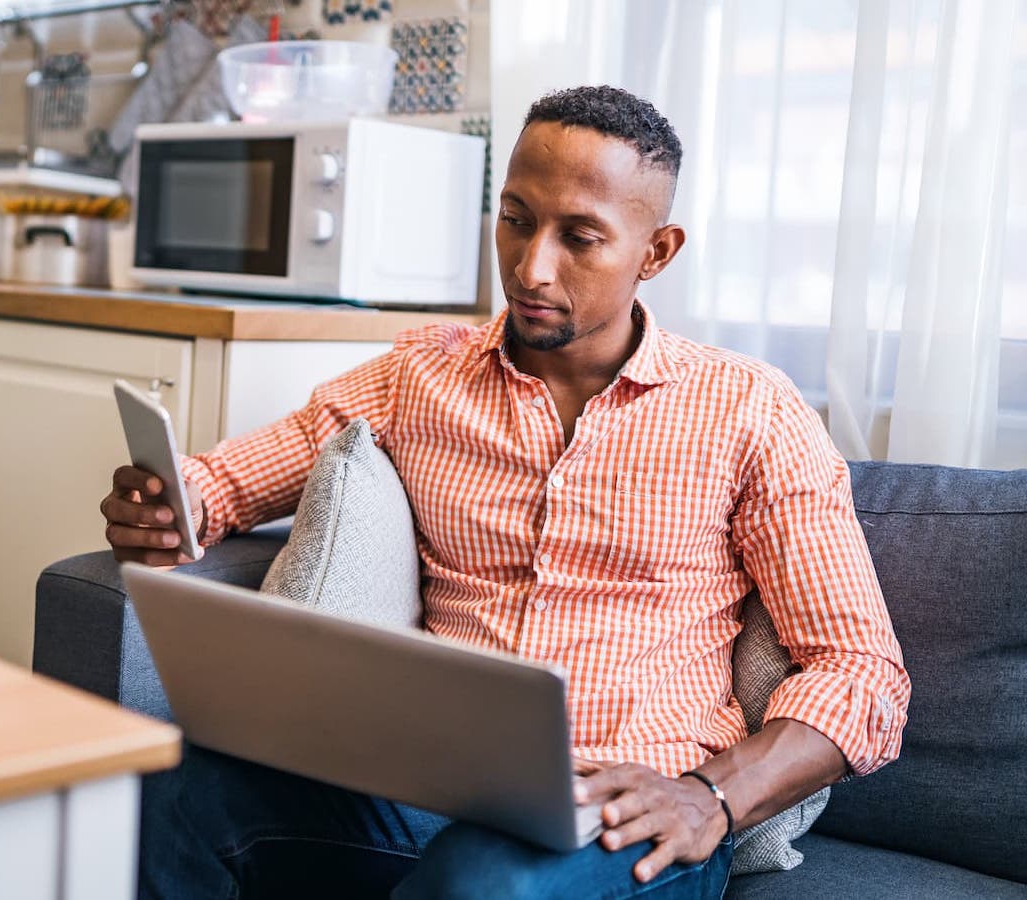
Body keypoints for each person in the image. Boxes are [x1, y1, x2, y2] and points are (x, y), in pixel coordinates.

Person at [100, 85, 910, 899]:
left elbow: (863, 672)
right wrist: (174, 506)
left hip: (629, 814)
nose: (531, 268)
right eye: (516, 218)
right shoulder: (420, 374)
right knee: (168, 791)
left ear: (655, 252)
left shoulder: (750, 410)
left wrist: (712, 796)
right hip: (423, 785)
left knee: (478, 882)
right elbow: (229, 480)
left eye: (580, 238)